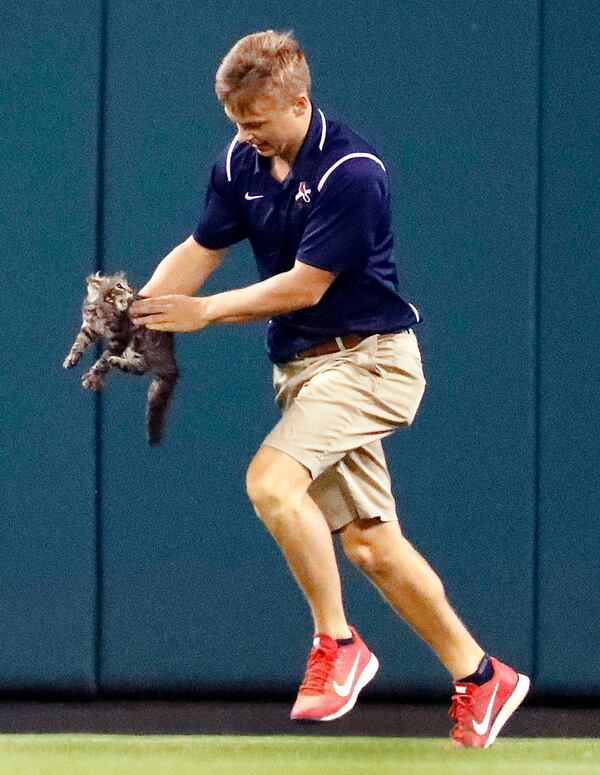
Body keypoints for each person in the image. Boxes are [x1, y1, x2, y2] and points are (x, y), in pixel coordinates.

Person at [130, 29, 530, 747]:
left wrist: (203, 314)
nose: (245, 135)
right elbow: (202, 249)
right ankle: (480, 676)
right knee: (373, 547)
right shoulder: (239, 161)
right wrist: (141, 312)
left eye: (255, 120)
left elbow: (305, 286)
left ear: (298, 102)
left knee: (271, 482)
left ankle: (338, 645)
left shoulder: (353, 170)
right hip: (305, 373)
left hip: (370, 362)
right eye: (235, 121)